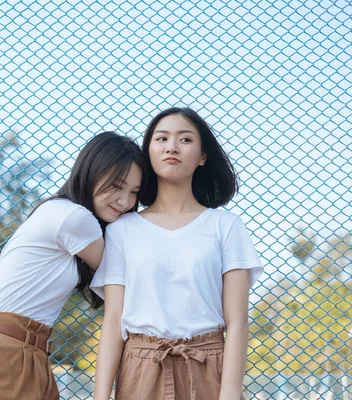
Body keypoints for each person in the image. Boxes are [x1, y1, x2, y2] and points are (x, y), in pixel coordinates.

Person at [0, 131, 147, 400]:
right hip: (4, 351)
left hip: (31, 351)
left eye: (133, 192)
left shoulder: (63, 213)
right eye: (116, 185)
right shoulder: (73, 217)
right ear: (91, 172)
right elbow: (129, 281)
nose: (125, 202)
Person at [91, 108, 264, 400]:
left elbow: (237, 321)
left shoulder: (225, 225)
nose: (172, 146)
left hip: (209, 365)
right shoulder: (122, 229)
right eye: (162, 138)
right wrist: (100, 395)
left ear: (202, 156)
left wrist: (231, 391)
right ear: (149, 151)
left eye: (185, 139)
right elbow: (113, 320)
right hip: (140, 368)